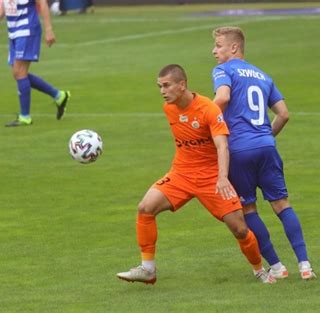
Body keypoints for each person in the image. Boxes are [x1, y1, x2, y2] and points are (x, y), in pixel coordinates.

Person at [116, 64, 276, 285]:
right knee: (145, 208)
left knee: (239, 229)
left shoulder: (209, 109)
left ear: (182, 85)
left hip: (211, 178)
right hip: (181, 174)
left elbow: (222, 146)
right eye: (159, 86)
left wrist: (222, 177)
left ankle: (260, 270)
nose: (162, 91)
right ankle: (148, 269)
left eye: (166, 85)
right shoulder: (168, 108)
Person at [211, 26, 316, 280]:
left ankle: (278, 267)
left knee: (248, 209)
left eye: (218, 46)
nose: (214, 51)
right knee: (282, 204)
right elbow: (284, 113)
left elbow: (223, 97)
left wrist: (203, 116)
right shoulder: (262, 75)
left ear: (234, 47)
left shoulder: (223, 70)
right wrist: (266, 136)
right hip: (267, 147)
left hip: (239, 151)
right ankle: (305, 265)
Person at [0, 0, 70, 127]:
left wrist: (49, 30)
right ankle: (59, 96)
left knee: (19, 72)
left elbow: (42, 3)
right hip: (13, 32)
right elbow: (6, 3)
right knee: (18, 73)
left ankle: (25, 117)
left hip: (27, 30)